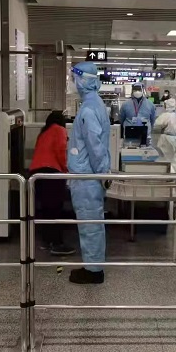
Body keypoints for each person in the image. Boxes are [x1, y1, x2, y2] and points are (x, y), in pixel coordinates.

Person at [67, 62, 111, 284]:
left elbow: (95, 147)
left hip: (86, 177)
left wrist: (103, 174)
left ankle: (93, 270)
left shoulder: (88, 110)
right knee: (92, 222)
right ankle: (93, 266)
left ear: (83, 80)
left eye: (73, 78)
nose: (72, 83)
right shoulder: (95, 104)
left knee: (90, 224)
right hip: (89, 175)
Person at [29, 111, 75, 256]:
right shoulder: (59, 130)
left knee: (46, 209)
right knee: (55, 209)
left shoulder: (43, 132)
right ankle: (57, 244)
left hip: (36, 174)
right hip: (51, 172)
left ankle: (47, 241)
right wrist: (66, 169)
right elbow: (61, 151)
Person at [154, 98, 176, 173]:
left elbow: (156, 125)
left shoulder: (165, 115)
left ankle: (169, 174)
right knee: (174, 158)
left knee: (166, 158)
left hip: (167, 139)